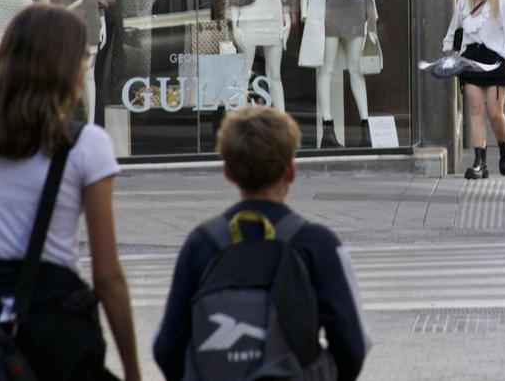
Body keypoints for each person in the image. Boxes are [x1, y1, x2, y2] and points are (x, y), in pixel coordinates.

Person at [0, 4, 139, 380]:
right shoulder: (86, 145)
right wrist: (134, 371)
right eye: (82, 57)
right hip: (53, 317)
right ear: (63, 66)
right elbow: (107, 276)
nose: (84, 66)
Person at [153, 105, 369, 380]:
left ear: (228, 172)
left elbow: (167, 348)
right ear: (290, 171)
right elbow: (352, 346)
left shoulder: (201, 245)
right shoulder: (317, 244)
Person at [443, 0, 505, 179]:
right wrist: (450, 48)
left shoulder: (501, 4)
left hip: (495, 60)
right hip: (470, 59)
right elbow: (453, 31)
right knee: (476, 110)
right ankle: (479, 162)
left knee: (494, 112)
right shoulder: (462, 4)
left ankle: (504, 146)